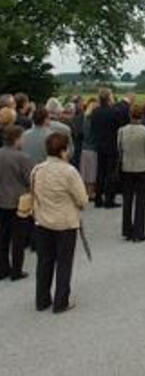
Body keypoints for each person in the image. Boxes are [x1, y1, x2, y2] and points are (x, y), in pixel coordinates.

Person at [33, 132, 88, 313]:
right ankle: (61, 301)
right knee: (64, 262)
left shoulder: (37, 170)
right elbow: (82, 199)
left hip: (42, 221)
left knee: (44, 261)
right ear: (64, 151)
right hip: (65, 223)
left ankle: (42, 299)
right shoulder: (69, 171)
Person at [118, 104, 145, 242]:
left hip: (127, 167)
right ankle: (139, 231)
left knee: (127, 199)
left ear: (130, 115)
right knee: (141, 201)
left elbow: (120, 149)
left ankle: (127, 229)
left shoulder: (122, 131)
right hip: (143, 167)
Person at [0, 126, 34, 281]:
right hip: (19, 201)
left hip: (2, 200)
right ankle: (16, 270)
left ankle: (3, 268)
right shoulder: (23, 158)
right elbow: (30, 179)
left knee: (3, 237)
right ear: (16, 139)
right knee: (18, 238)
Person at [90, 89, 120, 208]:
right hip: (112, 144)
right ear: (109, 98)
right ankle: (109, 199)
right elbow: (118, 127)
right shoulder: (114, 112)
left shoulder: (95, 112)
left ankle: (98, 198)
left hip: (99, 144)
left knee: (100, 172)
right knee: (111, 173)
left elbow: (93, 128)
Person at [79, 99, 98, 201]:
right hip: (92, 148)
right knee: (91, 172)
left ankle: (86, 192)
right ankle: (90, 193)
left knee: (85, 172)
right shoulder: (91, 121)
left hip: (84, 147)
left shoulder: (85, 119)